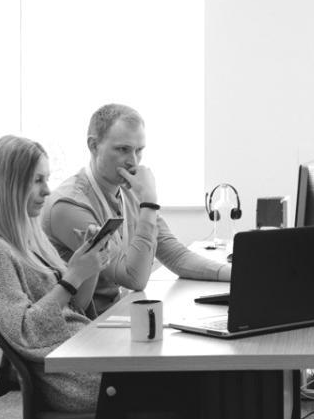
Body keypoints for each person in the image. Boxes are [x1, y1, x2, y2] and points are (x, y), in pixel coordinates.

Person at [0, 134, 189, 419]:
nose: (46, 190)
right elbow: (25, 332)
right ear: (11, 185)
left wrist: (89, 267)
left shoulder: (28, 238)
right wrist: (71, 276)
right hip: (70, 377)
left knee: (197, 374)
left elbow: (78, 307)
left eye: (47, 179)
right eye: (37, 181)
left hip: (83, 353)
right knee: (200, 386)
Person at [43, 104, 230, 314]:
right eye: (122, 149)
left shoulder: (128, 190)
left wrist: (237, 274)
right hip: (82, 329)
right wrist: (149, 202)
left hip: (116, 316)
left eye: (139, 150)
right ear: (93, 145)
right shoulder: (69, 205)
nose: (133, 162)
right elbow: (133, 278)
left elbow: (176, 256)